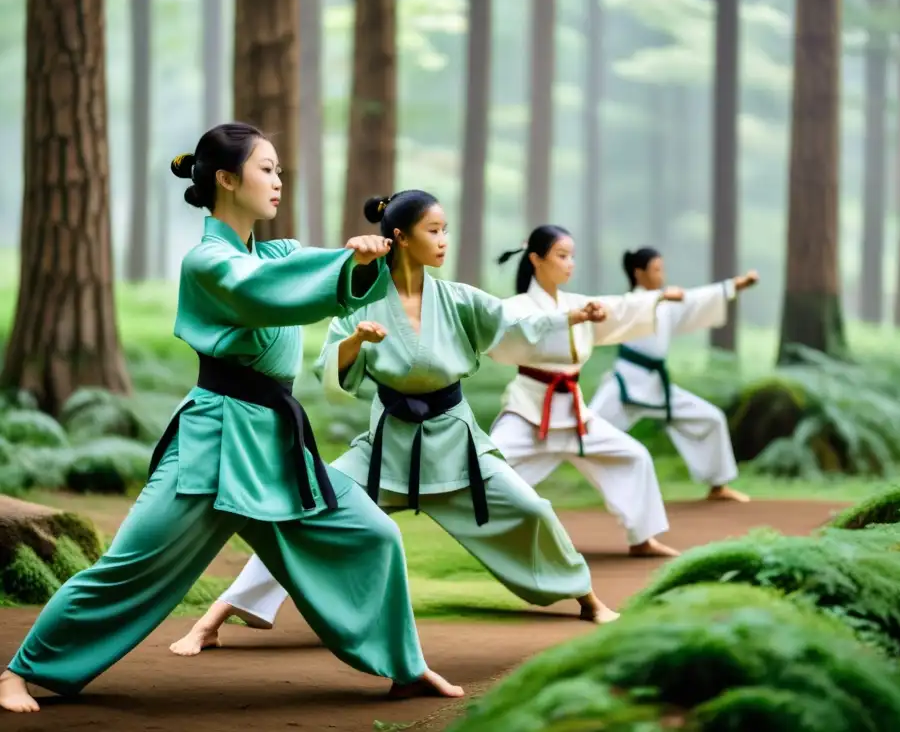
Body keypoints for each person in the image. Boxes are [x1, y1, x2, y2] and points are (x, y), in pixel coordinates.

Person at [0, 125, 461, 714]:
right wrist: (346, 264)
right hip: (214, 442)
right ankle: (20, 670)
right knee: (131, 567)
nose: (277, 180)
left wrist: (360, 261)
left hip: (274, 443)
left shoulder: (274, 252)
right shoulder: (208, 262)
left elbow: (301, 268)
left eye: (278, 170)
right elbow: (265, 291)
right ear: (225, 179)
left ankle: (406, 666)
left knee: (372, 534)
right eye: (266, 169)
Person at [168, 190, 619, 656]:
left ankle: (587, 598)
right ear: (400, 238)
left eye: (445, 230)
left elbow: (515, 323)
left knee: (532, 509)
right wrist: (356, 341)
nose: (444, 240)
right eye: (434, 230)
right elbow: (332, 369)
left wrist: (572, 315)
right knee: (304, 510)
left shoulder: (459, 298)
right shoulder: (362, 300)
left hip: (454, 441)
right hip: (385, 444)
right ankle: (214, 617)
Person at [488, 226, 687, 558]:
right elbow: (516, 328)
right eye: (562, 256)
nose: (570, 264)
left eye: (572, 257)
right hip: (530, 409)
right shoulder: (518, 307)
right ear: (536, 259)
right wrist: (571, 317)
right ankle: (490, 540)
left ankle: (642, 538)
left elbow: (620, 308)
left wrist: (657, 298)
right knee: (488, 467)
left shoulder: (577, 303)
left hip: (574, 411)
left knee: (634, 457)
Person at [588, 247, 759, 503]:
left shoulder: (666, 305)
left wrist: (740, 284)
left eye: (661, 269)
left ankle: (717, 485)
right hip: (625, 384)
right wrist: (661, 297)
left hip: (657, 386)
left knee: (711, 419)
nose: (661, 274)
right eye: (656, 269)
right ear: (639, 273)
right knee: (582, 430)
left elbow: (700, 298)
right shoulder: (629, 303)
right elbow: (626, 308)